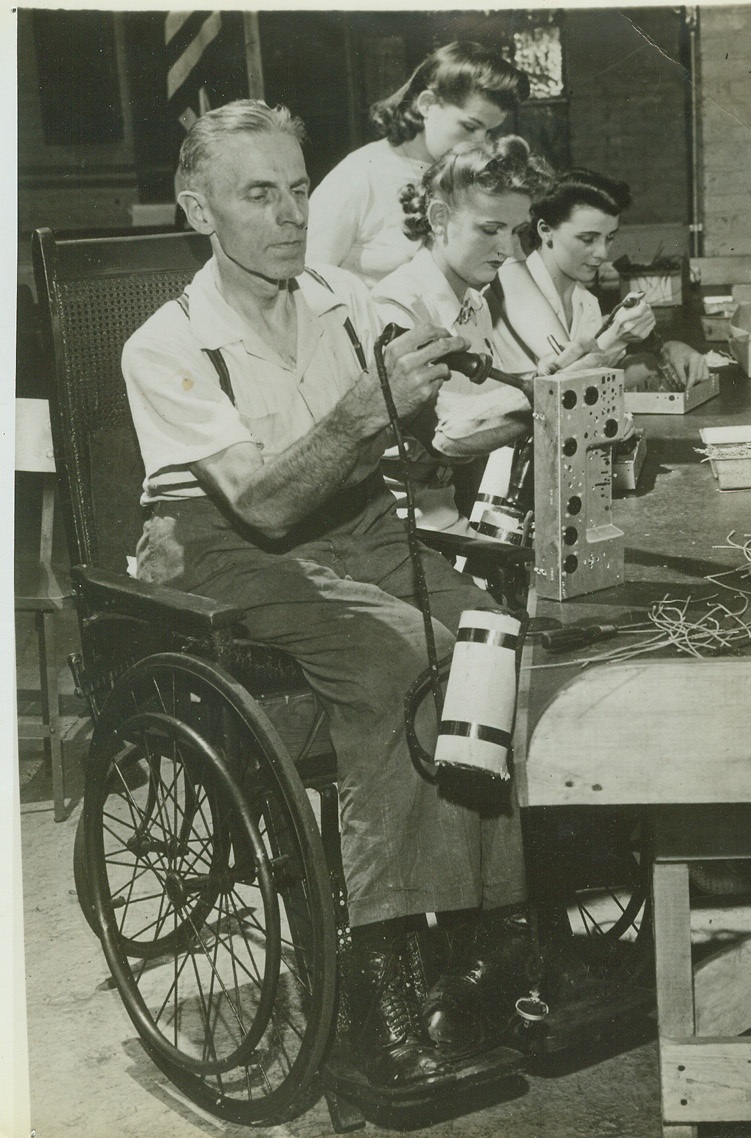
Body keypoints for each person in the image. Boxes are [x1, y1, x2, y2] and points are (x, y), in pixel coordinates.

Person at [122, 99, 532, 1093]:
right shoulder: (168, 342)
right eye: (256, 193)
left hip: (348, 521)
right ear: (196, 208)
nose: (288, 213)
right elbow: (262, 500)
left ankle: (481, 940)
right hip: (224, 548)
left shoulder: (345, 296)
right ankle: (378, 973)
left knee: (488, 636)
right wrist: (368, 405)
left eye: (298, 188)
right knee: (391, 658)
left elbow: (445, 370)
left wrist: (471, 366)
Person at [307, 39, 570, 364]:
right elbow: (307, 292)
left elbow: (516, 286)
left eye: (489, 132)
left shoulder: (474, 177)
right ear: (427, 104)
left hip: (452, 362)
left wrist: (564, 361)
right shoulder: (358, 177)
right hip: (373, 367)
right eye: (470, 126)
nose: (480, 143)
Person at [371, 135, 552, 533]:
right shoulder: (396, 307)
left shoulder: (476, 304)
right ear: (438, 220)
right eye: (490, 230)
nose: (507, 249)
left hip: (452, 508)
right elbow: (445, 437)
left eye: (516, 231)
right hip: (405, 526)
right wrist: (551, 398)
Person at [489, 167, 711, 391]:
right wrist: (616, 338)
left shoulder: (586, 302)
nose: (602, 253)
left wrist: (672, 352)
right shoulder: (508, 293)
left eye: (609, 238)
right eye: (587, 239)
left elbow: (604, 377)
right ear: (546, 230)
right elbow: (559, 389)